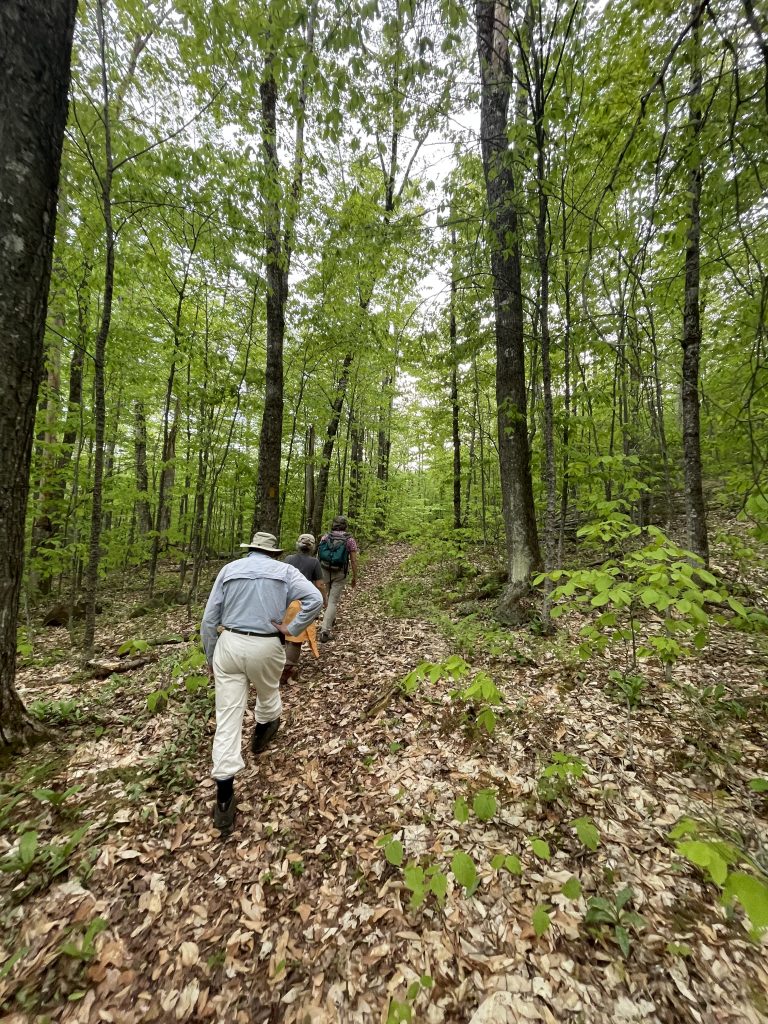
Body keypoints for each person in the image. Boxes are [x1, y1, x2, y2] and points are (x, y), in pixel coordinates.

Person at [201, 531, 323, 834]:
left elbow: (208, 619)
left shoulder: (229, 570)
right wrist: (291, 628)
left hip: (229, 642)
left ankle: (224, 799)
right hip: (267, 644)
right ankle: (264, 728)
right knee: (268, 693)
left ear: (251, 550)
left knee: (227, 717)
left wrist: (211, 657)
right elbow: (316, 599)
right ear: (273, 553)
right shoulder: (285, 571)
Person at [281, 533, 326, 684]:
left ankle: (279, 667)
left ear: (297, 544)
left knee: (282, 634)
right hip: (302, 604)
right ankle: (287, 670)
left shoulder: (288, 560)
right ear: (313, 547)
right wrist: (324, 601)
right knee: (295, 637)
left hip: (284, 602)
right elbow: (319, 584)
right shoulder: (314, 562)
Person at [317, 515, 359, 643]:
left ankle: (327, 619)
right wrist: (355, 577)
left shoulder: (325, 536)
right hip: (340, 573)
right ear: (345, 525)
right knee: (333, 601)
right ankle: (325, 630)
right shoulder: (349, 540)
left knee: (326, 598)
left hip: (324, 570)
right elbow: (353, 560)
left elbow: (319, 554)